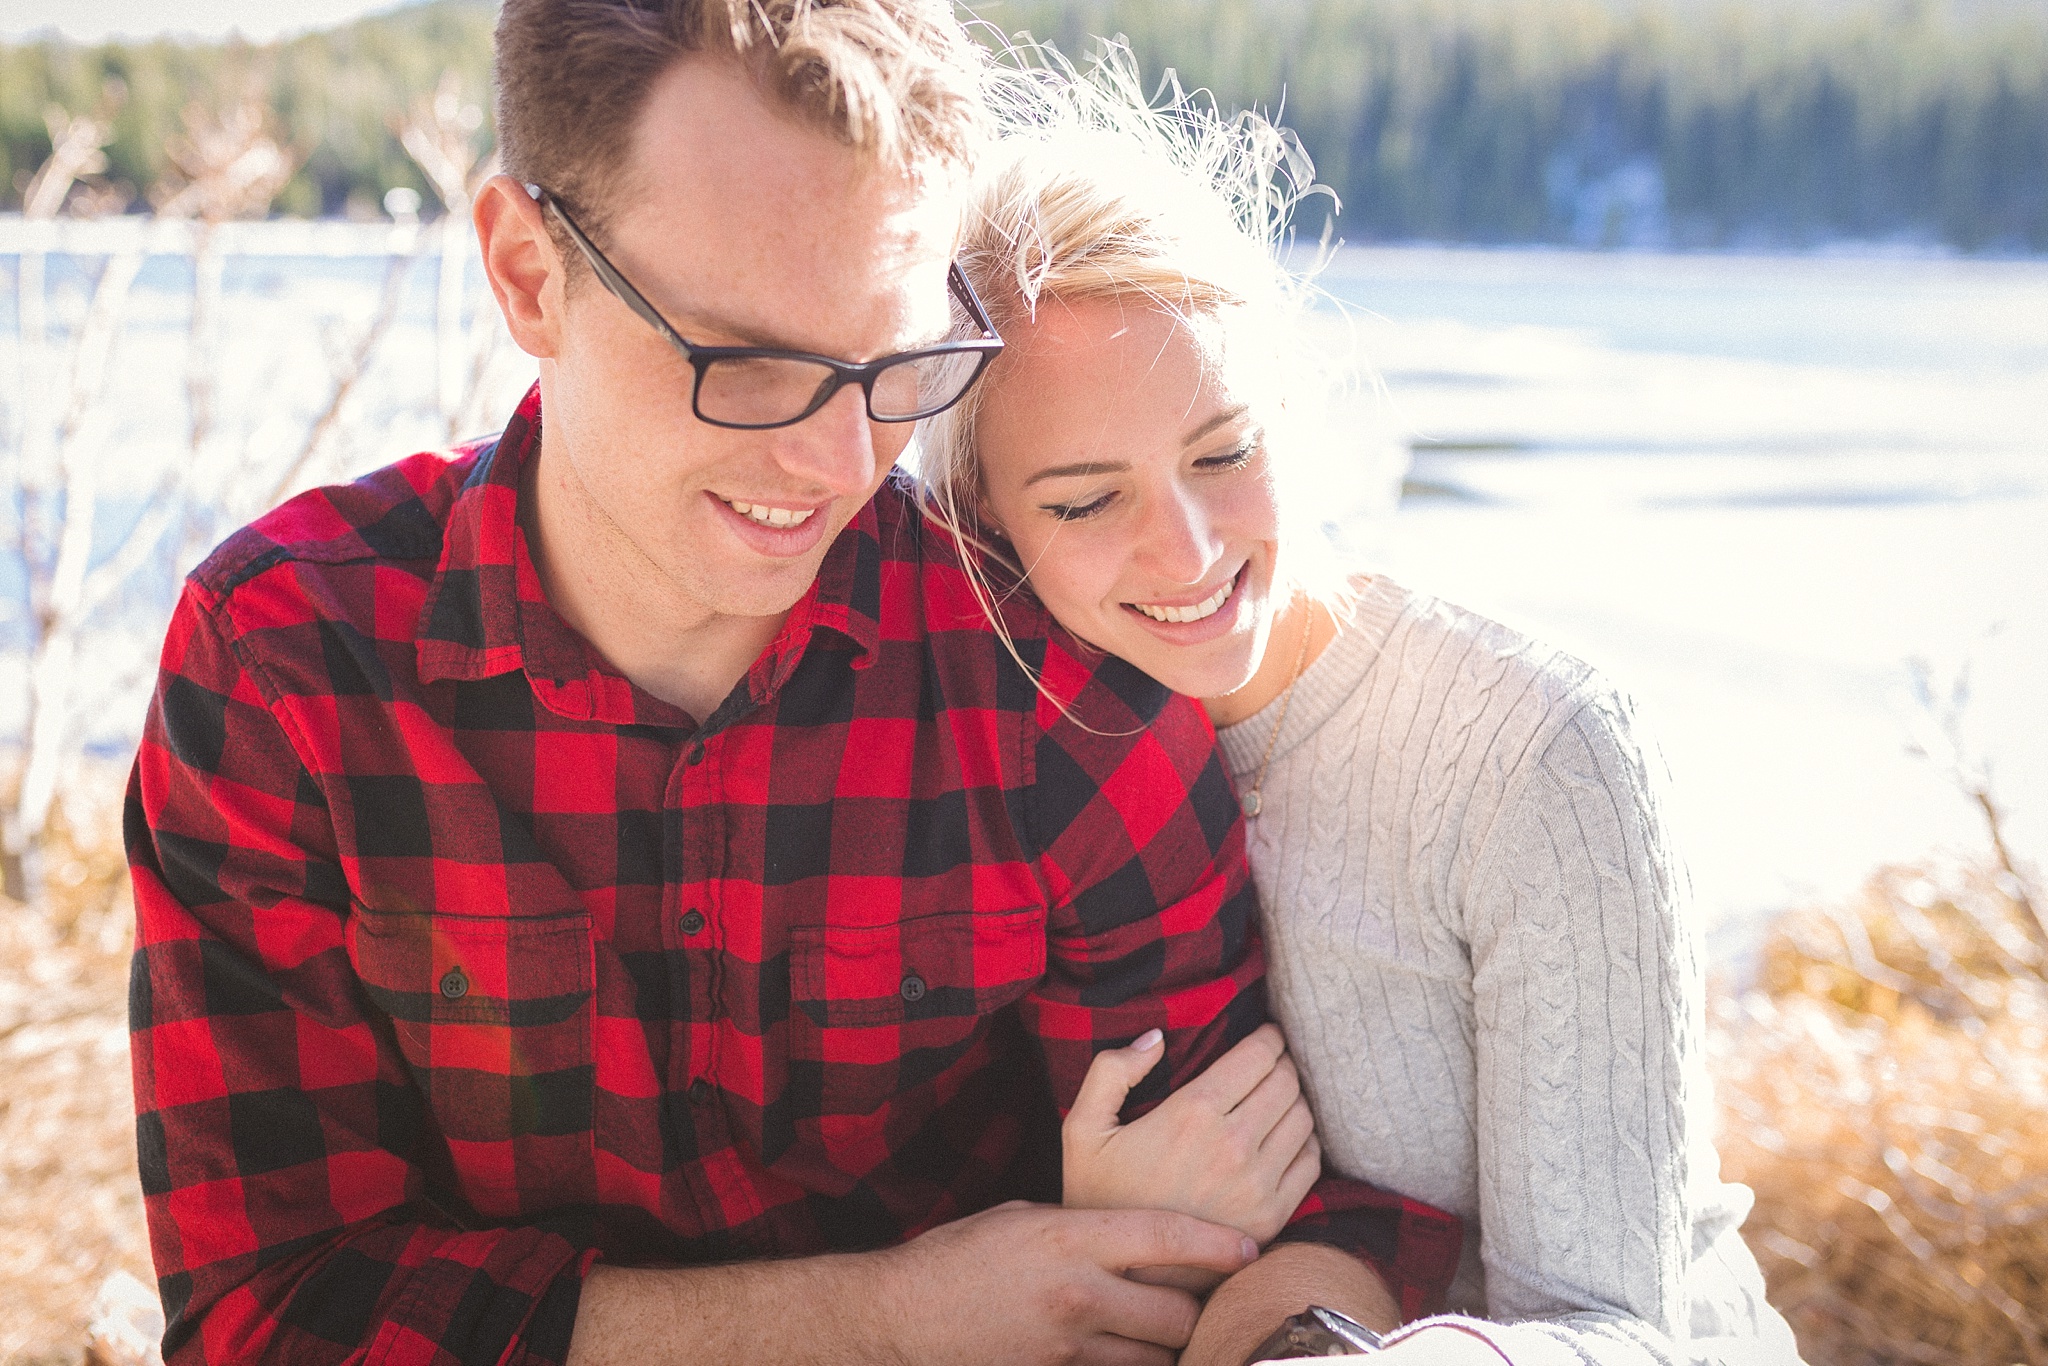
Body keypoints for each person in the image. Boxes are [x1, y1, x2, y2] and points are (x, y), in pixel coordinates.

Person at [122, 4, 1465, 1363]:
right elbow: (272, 1316)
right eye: (746, 361)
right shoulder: (287, 666)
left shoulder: (1042, 672)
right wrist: (886, 1319)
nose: (837, 462)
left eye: (891, 366)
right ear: (529, 273)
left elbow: (1264, 1214)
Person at [917, 50, 1805, 1366]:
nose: (1189, 547)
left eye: (1225, 451)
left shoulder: (1533, 755)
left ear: (1290, 402)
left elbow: (1620, 1325)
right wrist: (1096, 1222)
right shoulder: (986, 760)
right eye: (1087, 499)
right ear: (986, 517)